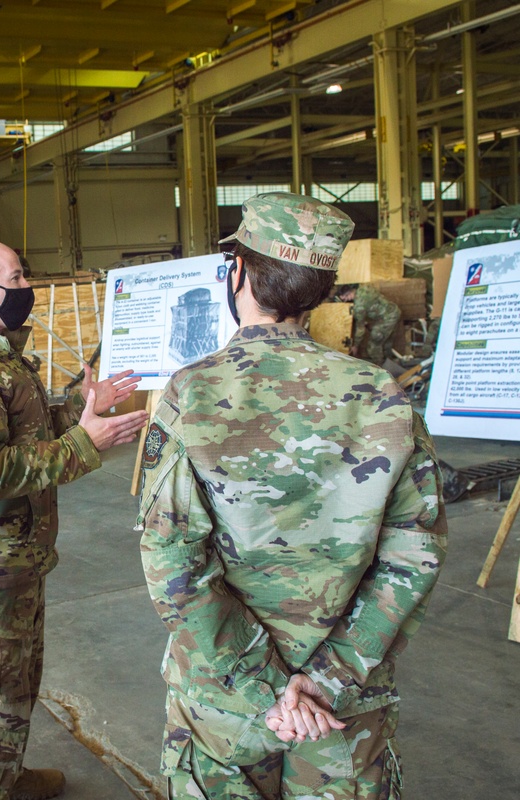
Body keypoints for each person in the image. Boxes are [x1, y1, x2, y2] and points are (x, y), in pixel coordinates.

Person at [138, 192, 447, 800]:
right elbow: (415, 555)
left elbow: (174, 564)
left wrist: (264, 687)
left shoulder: (191, 395)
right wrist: (329, 679)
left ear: (239, 274)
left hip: (224, 702)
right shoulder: (380, 394)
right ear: (323, 291)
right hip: (340, 706)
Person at [0, 239, 149, 800]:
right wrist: (83, 443)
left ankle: (6, 778)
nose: (27, 289)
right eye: (18, 278)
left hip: (17, 556)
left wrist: (80, 409)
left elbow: (25, 426)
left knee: (16, 682)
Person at [335, 283, 401, 366]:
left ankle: (381, 369)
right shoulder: (364, 287)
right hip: (393, 311)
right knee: (386, 342)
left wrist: (356, 346)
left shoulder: (359, 306)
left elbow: (360, 329)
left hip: (388, 318)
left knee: (373, 346)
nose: (346, 301)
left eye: (345, 298)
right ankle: (390, 364)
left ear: (349, 294)